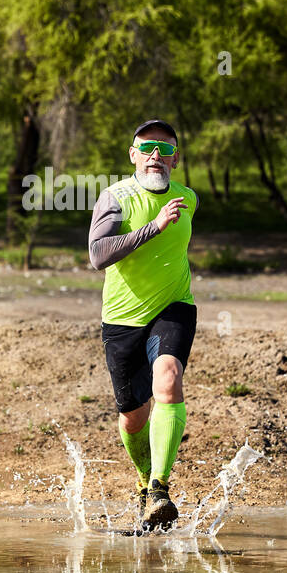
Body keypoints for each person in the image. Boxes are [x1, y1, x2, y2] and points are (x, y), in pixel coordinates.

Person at [88, 119, 198, 530]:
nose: (156, 155)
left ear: (175, 158)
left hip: (173, 307)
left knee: (168, 380)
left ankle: (160, 488)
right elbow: (98, 256)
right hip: (121, 319)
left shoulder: (188, 198)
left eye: (165, 148)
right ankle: (141, 482)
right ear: (133, 154)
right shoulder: (115, 198)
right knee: (133, 419)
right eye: (147, 147)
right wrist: (154, 228)